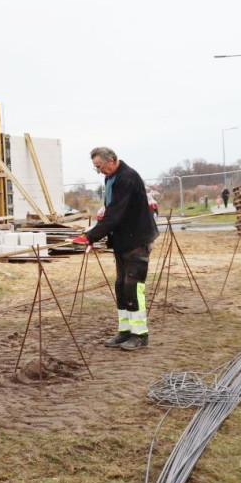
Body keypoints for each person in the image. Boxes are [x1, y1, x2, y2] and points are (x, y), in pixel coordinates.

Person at [73, 147, 159, 350]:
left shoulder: (127, 178)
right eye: (96, 167)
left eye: (100, 166)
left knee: (133, 287)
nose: (99, 171)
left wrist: (90, 236)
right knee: (121, 286)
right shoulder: (110, 178)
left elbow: (115, 214)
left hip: (137, 239)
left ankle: (140, 335)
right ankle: (125, 331)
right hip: (122, 240)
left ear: (111, 160)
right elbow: (110, 212)